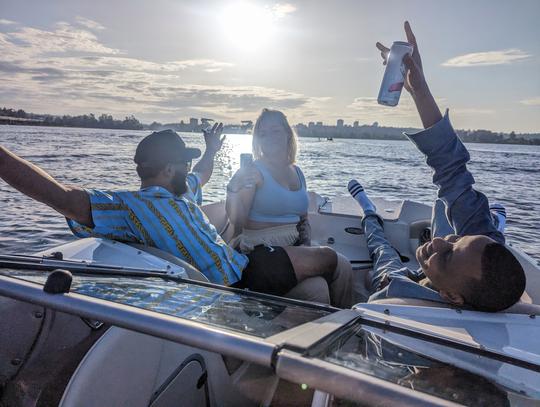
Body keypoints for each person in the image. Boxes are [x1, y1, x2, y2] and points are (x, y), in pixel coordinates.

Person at [0, 123, 351, 306]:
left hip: (245, 265)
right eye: (183, 161)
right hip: (240, 284)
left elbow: (204, 172)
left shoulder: (182, 191)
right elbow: (58, 196)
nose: (189, 167)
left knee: (323, 270)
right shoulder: (125, 207)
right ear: (169, 168)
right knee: (332, 260)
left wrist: (212, 148)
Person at [348, 21, 525, 312]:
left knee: (381, 248)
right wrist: (419, 89)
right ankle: (494, 224)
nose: (440, 241)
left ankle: (368, 210)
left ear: (452, 298)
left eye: (447, 256)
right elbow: (451, 167)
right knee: (448, 202)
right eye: (457, 239)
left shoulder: (394, 300)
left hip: (403, 279)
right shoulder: (480, 251)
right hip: (453, 262)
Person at [225, 108, 354, 307]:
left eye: (275, 131)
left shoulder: (298, 172)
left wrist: (306, 237)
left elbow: (302, 217)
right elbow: (238, 221)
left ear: (287, 134)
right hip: (262, 249)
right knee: (330, 257)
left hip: (293, 247)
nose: (269, 137)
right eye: (263, 133)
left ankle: (340, 328)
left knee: (323, 284)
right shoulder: (254, 171)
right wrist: (233, 188)